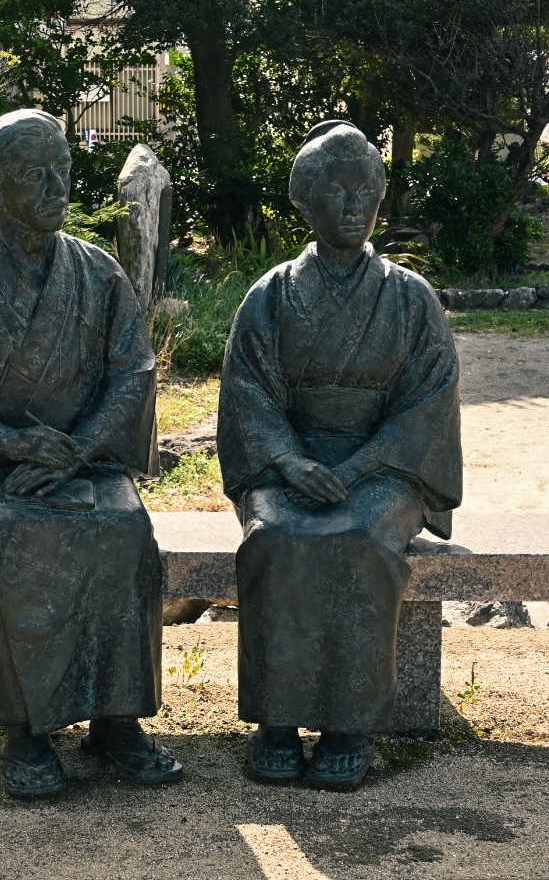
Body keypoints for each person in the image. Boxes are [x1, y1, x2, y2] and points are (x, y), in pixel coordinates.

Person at [0, 109, 181, 797]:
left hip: (84, 459)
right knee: (7, 536)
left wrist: (78, 449)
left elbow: (131, 373)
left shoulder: (97, 272)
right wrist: (10, 441)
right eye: (34, 175)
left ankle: (118, 721)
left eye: (64, 171)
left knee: (125, 529)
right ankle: (24, 730)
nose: (57, 187)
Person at [217, 120, 462, 790]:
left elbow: (427, 403)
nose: (353, 206)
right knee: (273, 538)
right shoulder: (271, 294)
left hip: (384, 468)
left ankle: (349, 725)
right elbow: (248, 397)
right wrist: (290, 463)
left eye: (366, 192)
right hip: (286, 462)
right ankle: (276, 721)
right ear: (307, 199)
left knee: (359, 538)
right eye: (337, 191)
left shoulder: (410, 297)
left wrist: (358, 468)